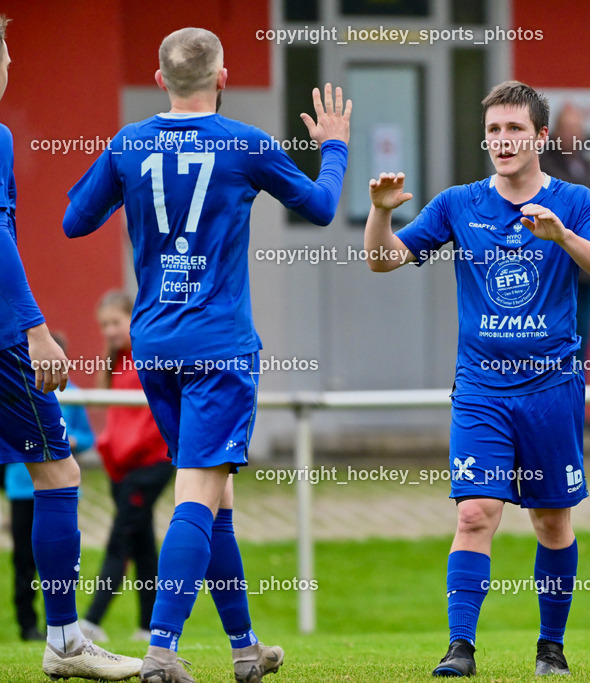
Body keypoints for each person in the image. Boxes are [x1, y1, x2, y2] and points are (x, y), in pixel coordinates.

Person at [62, 27, 351, 683]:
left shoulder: (129, 143)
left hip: (155, 342)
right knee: (200, 486)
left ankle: (246, 648)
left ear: (162, 80)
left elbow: (74, 221)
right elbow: (324, 206)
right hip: (219, 345)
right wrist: (333, 147)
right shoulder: (246, 144)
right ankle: (161, 652)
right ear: (223, 78)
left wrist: (113, 168)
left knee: (212, 493)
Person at [363, 80, 590, 677]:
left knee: (551, 519)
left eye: (514, 130)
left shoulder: (575, 201)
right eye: (495, 130)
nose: (502, 141)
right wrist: (380, 215)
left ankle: (550, 649)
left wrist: (563, 236)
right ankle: (461, 647)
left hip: (552, 389)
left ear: (540, 137)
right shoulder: (458, 204)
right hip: (481, 388)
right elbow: (382, 259)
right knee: (476, 512)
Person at [0, 14, 142, 681]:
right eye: (4, 46)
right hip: (4, 342)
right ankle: (64, 640)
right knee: (57, 467)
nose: (9, 59)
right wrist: (35, 329)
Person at [79, 290, 174, 644]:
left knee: (120, 540)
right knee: (142, 543)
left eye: (116, 322)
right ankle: (149, 625)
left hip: (150, 462)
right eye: (104, 325)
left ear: (132, 319)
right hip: (121, 467)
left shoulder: (151, 353)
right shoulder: (116, 361)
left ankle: (91, 620)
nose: (109, 331)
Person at [6, 340, 95, 644]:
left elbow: (86, 437)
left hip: (61, 488)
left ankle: (56, 625)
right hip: (21, 488)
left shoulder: (73, 394)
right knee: (23, 560)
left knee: (60, 559)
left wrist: (71, 441)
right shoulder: (16, 389)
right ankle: (26, 625)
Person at [539, 104, 590, 391]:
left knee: (582, 337)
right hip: (554, 271)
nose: (572, 134)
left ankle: (578, 403)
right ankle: (550, 400)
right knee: (552, 337)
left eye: (577, 129)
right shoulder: (543, 166)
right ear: (556, 131)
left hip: (587, 272)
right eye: (567, 128)